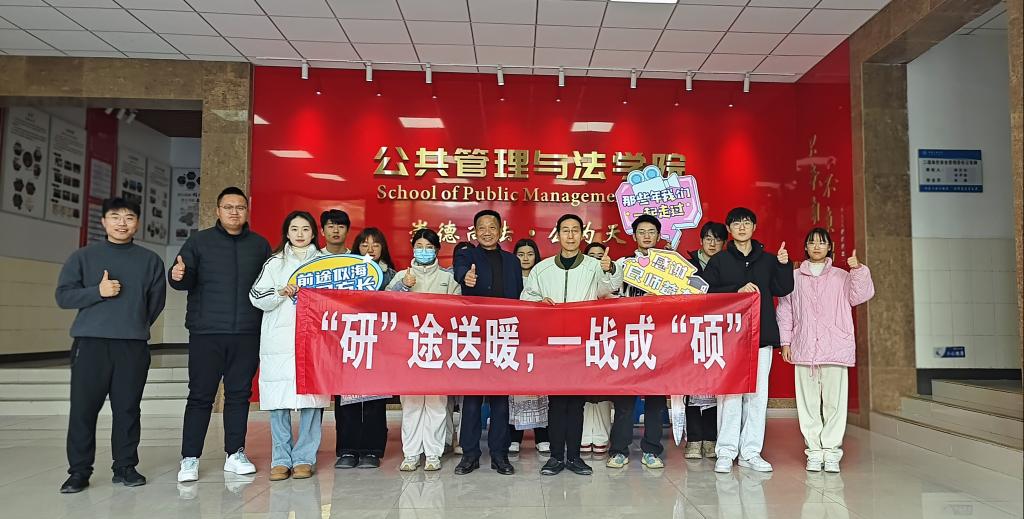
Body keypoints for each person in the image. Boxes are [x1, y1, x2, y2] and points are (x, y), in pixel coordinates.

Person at [55, 197, 166, 493]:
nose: (122, 223)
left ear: (137, 223)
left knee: (127, 409)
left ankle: (125, 467)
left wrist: (133, 324)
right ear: (103, 222)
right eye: (115, 216)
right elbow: (63, 297)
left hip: (132, 345)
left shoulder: (150, 261)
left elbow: (155, 304)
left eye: (129, 217)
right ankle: (79, 472)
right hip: (90, 344)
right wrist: (98, 292)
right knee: (83, 409)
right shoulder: (83, 257)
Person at [170, 186, 271, 483]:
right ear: (217, 210)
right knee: (200, 396)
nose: (234, 212)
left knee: (239, 395)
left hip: (247, 332)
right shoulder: (199, 242)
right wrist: (177, 276)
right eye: (228, 207)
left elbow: (268, 285)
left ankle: (234, 454)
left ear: (247, 211)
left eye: (240, 207)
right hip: (207, 332)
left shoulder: (259, 245)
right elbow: (182, 278)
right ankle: (190, 458)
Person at [700, 207, 794, 473]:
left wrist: (784, 265)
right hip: (729, 337)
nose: (742, 227)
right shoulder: (719, 260)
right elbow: (706, 293)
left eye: (746, 223)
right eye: (736, 223)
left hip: (761, 335)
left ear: (754, 227)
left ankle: (751, 452)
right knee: (729, 394)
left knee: (757, 395)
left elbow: (783, 288)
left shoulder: (769, 260)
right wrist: (736, 290)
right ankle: (726, 452)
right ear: (729, 229)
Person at [522, 214, 616, 476]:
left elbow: (608, 289)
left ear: (582, 235)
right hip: (552, 345)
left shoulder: (594, 266)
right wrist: (539, 304)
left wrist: (609, 269)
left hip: (580, 344)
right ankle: (555, 457)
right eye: (566, 230)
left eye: (576, 230)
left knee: (576, 403)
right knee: (555, 402)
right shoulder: (542, 269)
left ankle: (574, 457)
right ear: (558, 235)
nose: (571, 235)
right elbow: (527, 297)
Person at [777, 228, 874, 473]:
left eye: (822, 242)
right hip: (804, 347)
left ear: (830, 247)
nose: (817, 246)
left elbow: (861, 295)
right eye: (812, 242)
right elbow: (785, 311)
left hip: (835, 348)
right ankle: (814, 451)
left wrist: (858, 270)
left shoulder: (843, 276)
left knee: (834, 404)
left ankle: (831, 452)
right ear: (806, 247)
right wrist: (786, 342)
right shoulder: (794, 277)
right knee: (808, 404)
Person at [250, 211, 331, 481]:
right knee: (278, 402)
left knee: (312, 401)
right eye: (294, 229)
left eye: (305, 229)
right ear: (286, 232)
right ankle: (281, 459)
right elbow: (256, 296)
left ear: (314, 233)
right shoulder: (275, 263)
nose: (299, 234)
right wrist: (280, 292)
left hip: (314, 339)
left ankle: (305, 458)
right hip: (279, 341)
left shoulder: (324, 263)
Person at [452, 209, 523, 476]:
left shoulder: (512, 261)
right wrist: (465, 277)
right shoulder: (467, 255)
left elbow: (519, 296)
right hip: (476, 336)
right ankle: (469, 455)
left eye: (492, 227)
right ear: (475, 231)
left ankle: (499, 454)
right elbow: (460, 270)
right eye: (481, 227)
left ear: (500, 230)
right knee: (472, 399)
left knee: (501, 400)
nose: (487, 232)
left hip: (503, 335)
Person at [387, 229, 461, 472]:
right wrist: (402, 287)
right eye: (419, 246)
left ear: (437, 250)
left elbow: (459, 310)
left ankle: (433, 454)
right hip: (409, 350)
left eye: (429, 247)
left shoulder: (448, 278)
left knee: (437, 405)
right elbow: (384, 304)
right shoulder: (402, 276)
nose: (424, 251)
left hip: (439, 349)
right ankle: (410, 454)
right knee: (411, 404)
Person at [334, 227, 395, 470]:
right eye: (364, 244)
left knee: (374, 401)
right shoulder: (344, 273)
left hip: (379, 345)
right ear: (356, 248)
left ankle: (372, 449)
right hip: (348, 341)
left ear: (383, 248)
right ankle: (347, 449)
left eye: (375, 244)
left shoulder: (392, 276)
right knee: (347, 399)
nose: (370, 249)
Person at [682, 220, 728, 460]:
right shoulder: (687, 265)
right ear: (700, 240)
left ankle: (711, 439)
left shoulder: (728, 264)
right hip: (690, 331)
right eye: (708, 238)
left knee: (714, 384)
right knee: (691, 385)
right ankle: (693, 439)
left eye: (718, 240)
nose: (713, 244)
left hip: (720, 331)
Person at [508, 238, 550, 455]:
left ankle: (542, 436)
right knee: (514, 390)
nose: (525, 258)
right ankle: (514, 436)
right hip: (514, 340)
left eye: (530, 254)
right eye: (520, 254)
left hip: (538, 341)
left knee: (540, 388)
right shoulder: (509, 278)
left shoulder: (544, 277)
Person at [580, 242, 614, 455]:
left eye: (600, 256)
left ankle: (601, 435)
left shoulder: (612, 276)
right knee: (582, 388)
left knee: (602, 388)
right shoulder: (577, 275)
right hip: (581, 336)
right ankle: (583, 435)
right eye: (591, 256)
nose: (596, 259)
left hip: (604, 337)